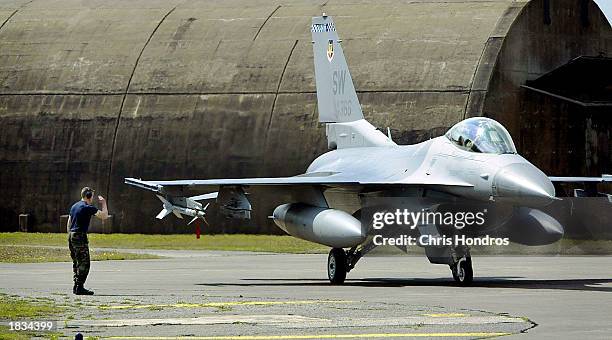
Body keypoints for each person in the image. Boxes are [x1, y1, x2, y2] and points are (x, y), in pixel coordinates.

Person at [66, 187, 109, 295]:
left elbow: (69, 223)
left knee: (76, 262)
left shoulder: (74, 206)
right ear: (89, 196)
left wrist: (71, 236)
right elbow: (104, 216)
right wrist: (103, 203)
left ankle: (76, 286)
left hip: (71, 235)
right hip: (79, 236)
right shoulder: (87, 207)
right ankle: (79, 287)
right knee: (85, 263)